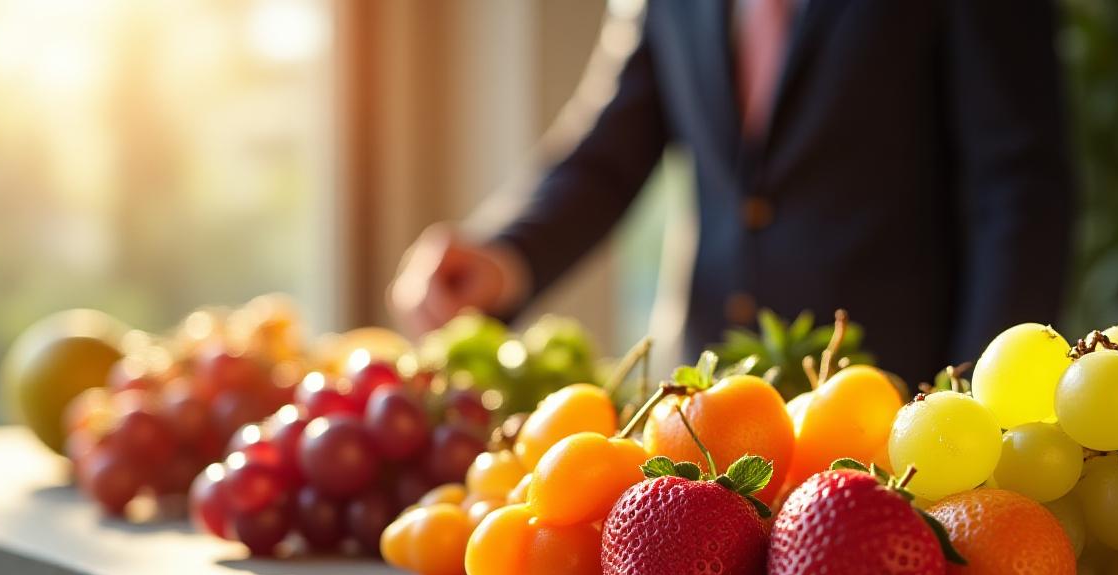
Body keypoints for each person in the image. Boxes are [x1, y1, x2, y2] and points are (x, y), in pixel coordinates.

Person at [389, 0, 1073, 385]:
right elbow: (611, 150)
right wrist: (503, 256)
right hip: (708, 401)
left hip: (895, 399)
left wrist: (977, 390)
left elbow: (1018, 187)